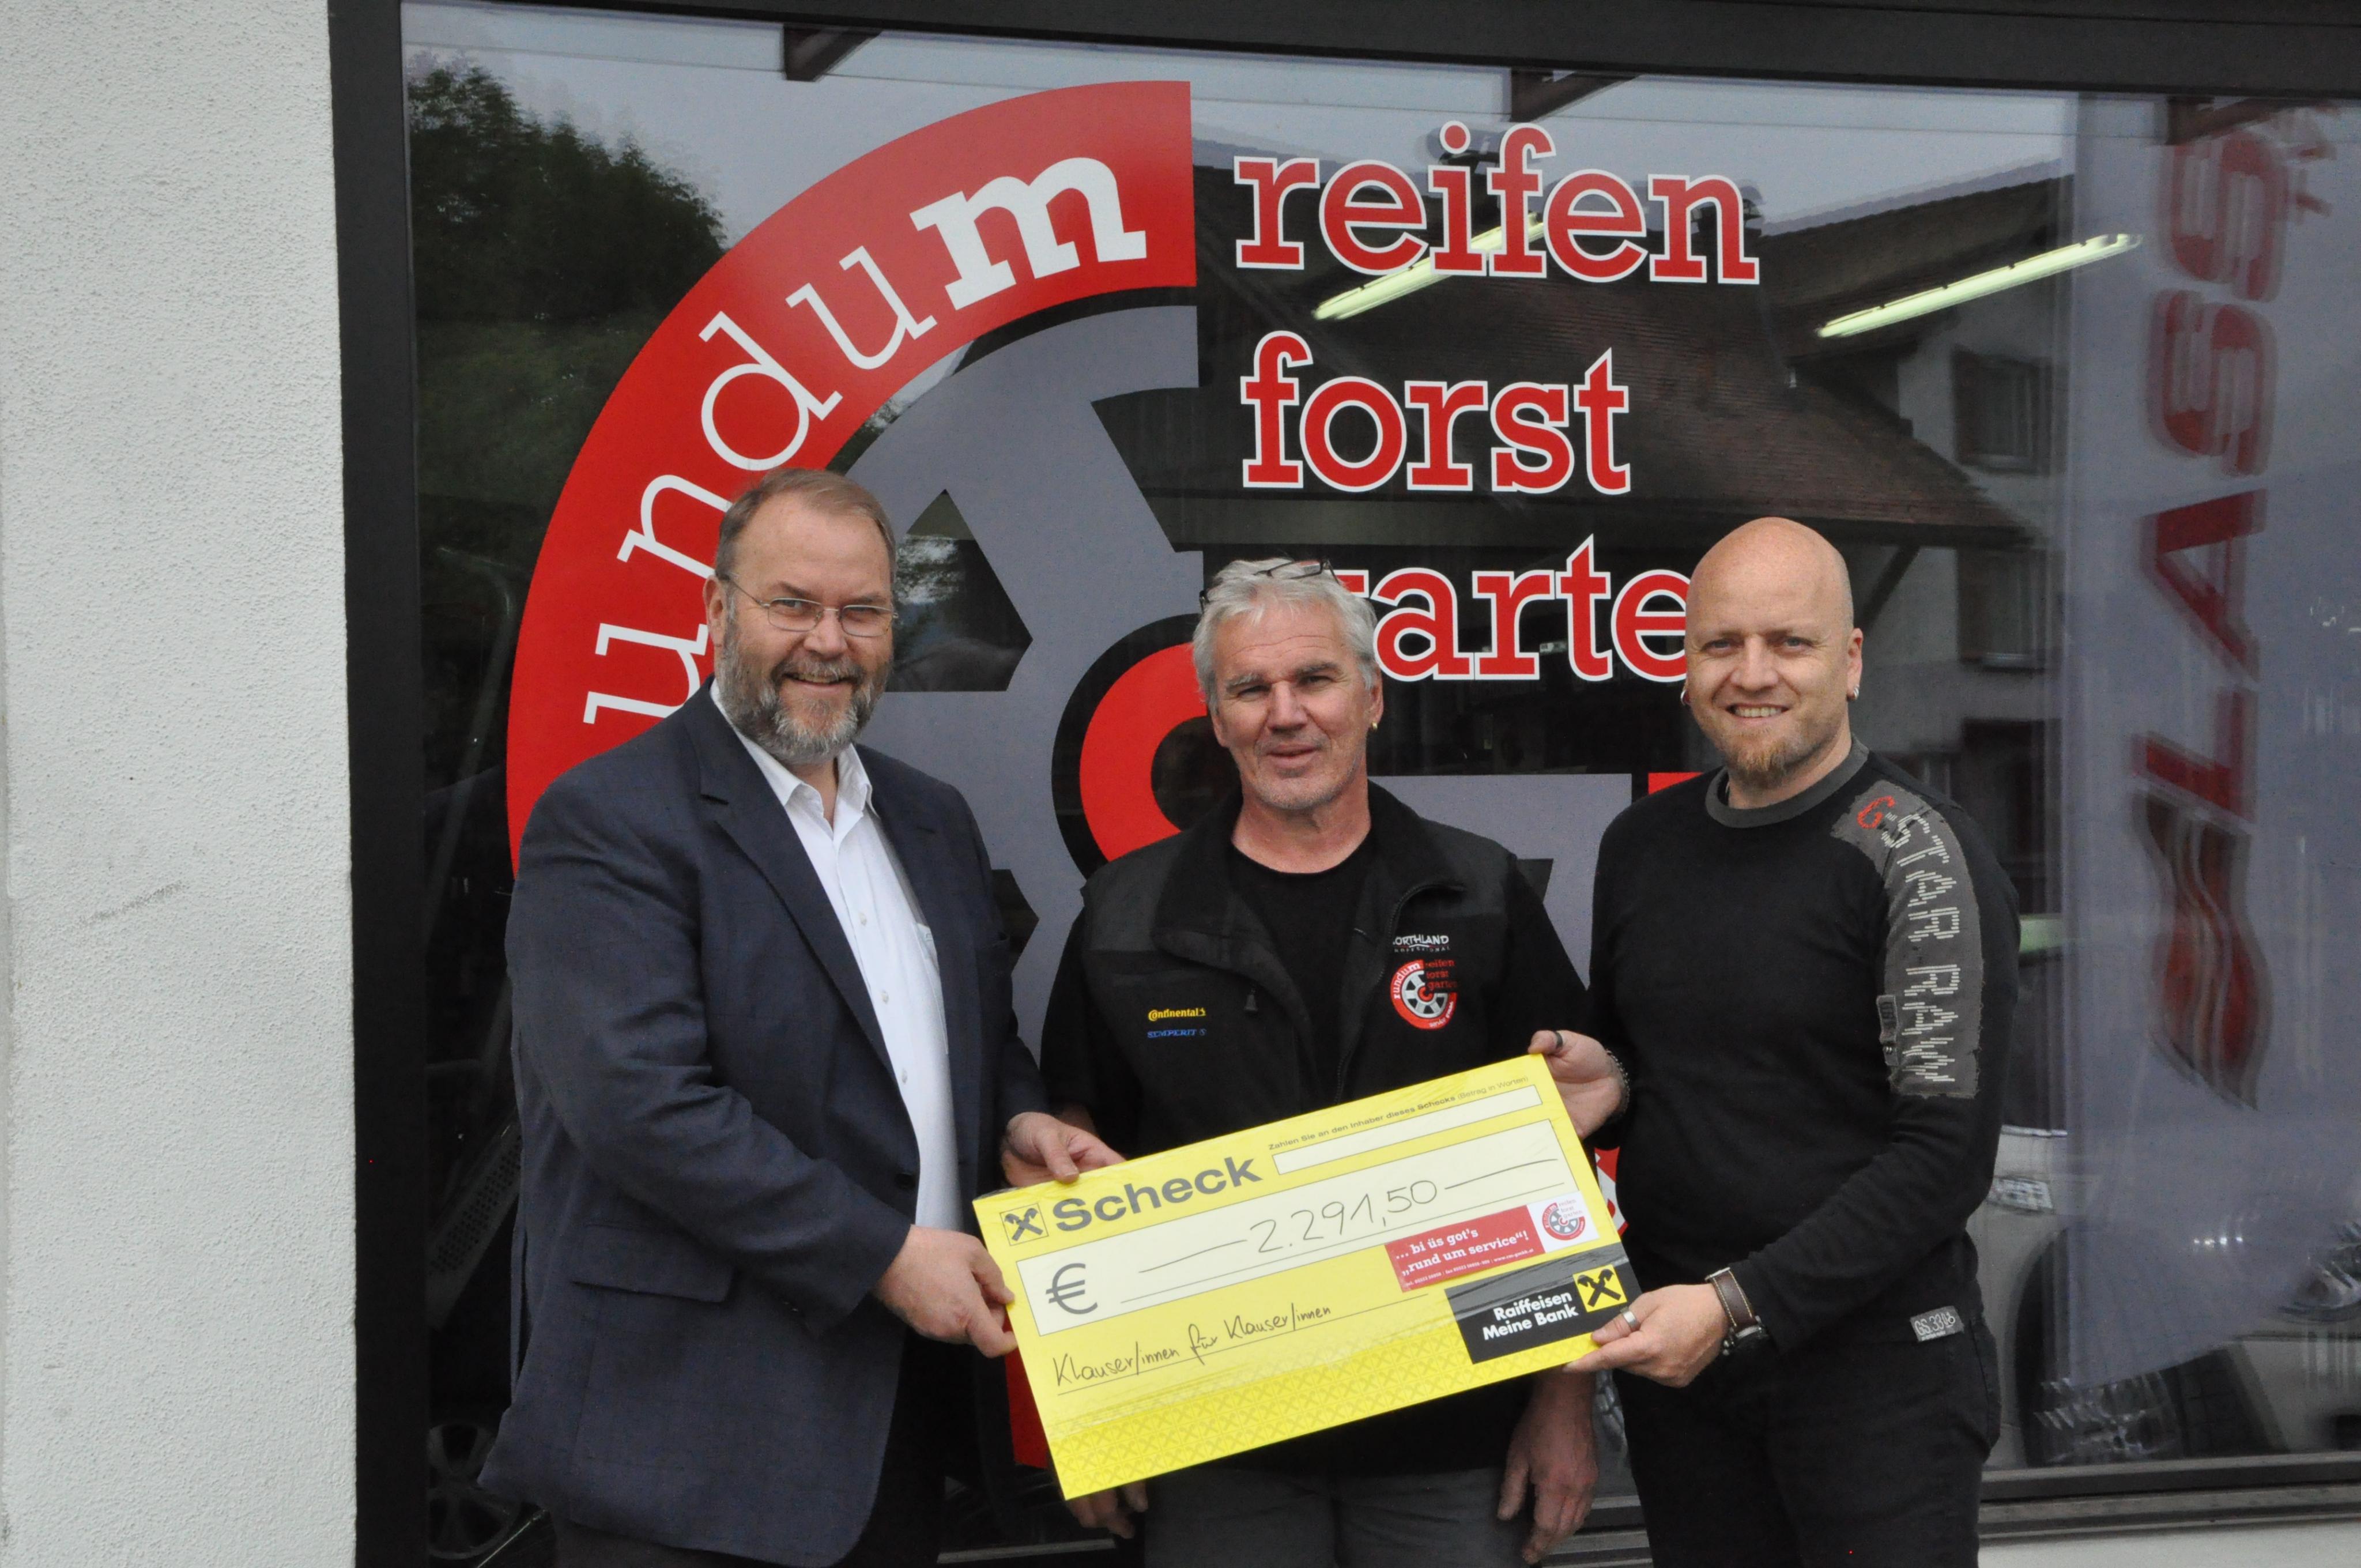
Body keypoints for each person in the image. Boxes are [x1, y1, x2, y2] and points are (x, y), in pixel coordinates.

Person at [480, 468, 1115, 1568]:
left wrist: (1017, 1120)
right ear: (718, 610)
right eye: (792, 605)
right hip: (683, 1446)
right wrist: (883, 1255)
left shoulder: (931, 819)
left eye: (862, 611)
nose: (828, 642)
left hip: (894, 1430)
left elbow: (976, 1040)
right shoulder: (610, 820)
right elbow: (640, 1107)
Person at [1039, 557, 1601, 1568]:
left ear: (1372, 698)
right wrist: (1093, 1416)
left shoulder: (1478, 893)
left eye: (1315, 680)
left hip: (1453, 1434)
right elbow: (1070, 1173)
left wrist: (1564, 1400)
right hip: (1215, 1446)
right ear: (1217, 720)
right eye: (1251, 689)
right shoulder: (1126, 916)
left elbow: (1563, 1157)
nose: (1286, 714)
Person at [1537, 516, 2018, 1567]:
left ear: (1850, 661)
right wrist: (1611, 1082)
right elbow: (1663, 1062)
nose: (1752, 674)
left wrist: (1734, 1306)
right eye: (1722, 644)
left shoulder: (1919, 856)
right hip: (1688, 1386)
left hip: (1877, 1388)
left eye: (1789, 643)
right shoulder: (1643, 845)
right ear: (1686, 662)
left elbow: (1943, 1161)